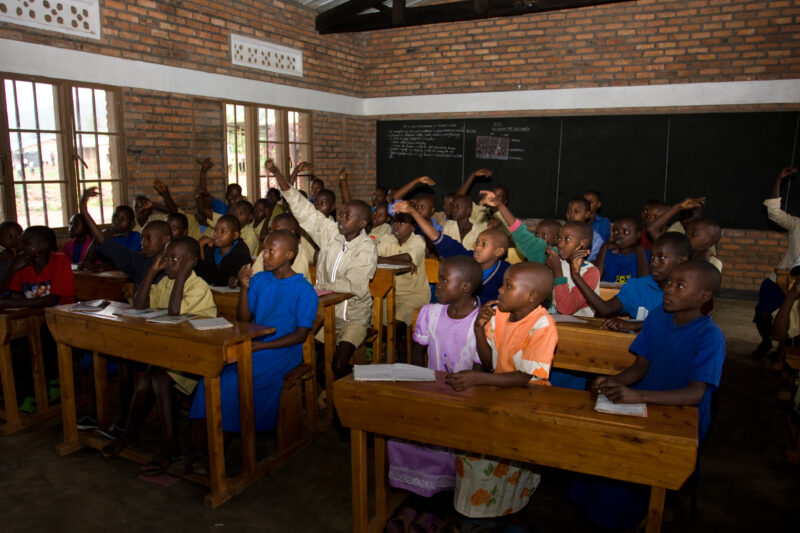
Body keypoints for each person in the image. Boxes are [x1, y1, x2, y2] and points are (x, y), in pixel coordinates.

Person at [574, 261, 726, 530]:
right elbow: (640, 366)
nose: (669, 290)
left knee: (674, 476)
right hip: (644, 406)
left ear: (704, 296)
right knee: (607, 461)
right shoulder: (657, 316)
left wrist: (635, 396)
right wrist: (611, 382)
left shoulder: (710, 336)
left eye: (680, 286)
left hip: (683, 418)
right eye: (669, 283)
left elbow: (695, 393)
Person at [189, 231, 317, 461]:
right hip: (256, 345)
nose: (264, 256)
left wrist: (263, 347)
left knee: (230, 383)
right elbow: (244, 319)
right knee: (209, 379)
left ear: (289, 254)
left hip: (282, 351)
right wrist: (245, 288)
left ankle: (212, 458)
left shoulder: (304, 289)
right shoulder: (259, 280)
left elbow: (300, 335)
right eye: (264, 250)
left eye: (271, 251)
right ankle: (198, 450)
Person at [445, 263, 557, 522]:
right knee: (473, 447)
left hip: (528, 399)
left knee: (506, 460)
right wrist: (478, 329)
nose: (499, 289)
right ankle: (472, 510)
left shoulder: (543, 324)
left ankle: (500, 513)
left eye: (508, 285)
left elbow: (525, 376)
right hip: (498, 390)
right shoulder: (499, 315)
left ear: (531, 295)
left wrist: (478, 379)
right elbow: (490, 364)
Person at [384, 256, 484, 531]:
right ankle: (416, 500)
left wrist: (459, 393)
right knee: (410, 435)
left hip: (461, 397)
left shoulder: (480, 321)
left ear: (464, 286)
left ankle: (439, 506)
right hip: (430, 390)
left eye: (443, 280)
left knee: (448, 445)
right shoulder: (431, 312)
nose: (436, 284)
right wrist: (418, 383)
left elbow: (480, 366)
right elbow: (418, 350)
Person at [102, 237, 217, 474]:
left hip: (199, 357)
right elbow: (139, 305)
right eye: (165, 259)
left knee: (160, 379)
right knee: (146, 379)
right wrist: (151, 272)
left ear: (191, 263)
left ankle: (169, 446)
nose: (168, 264)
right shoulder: (164, 282)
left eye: (174, 260)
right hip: (172, 353)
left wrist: (183, 275)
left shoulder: (198, 286)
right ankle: (129, 435)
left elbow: (175, 312)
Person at [268, 160, 376, 380]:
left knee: (338, 364)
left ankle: (353, 395)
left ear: (362, 222)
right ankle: (325, 398)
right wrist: (278, 174)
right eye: (342, 214)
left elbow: (353, 285)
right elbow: (305, 211)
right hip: (324, 314)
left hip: (353, 318)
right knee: (302, 355)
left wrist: (318, 287)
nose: (341, 219)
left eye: (348, 216)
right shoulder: (331, 232)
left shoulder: (367, 248)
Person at [396, 200, 509, 305]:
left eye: (484, 244)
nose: (477, 247)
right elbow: (438, 239)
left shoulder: (506, 272)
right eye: (477, 243)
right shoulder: (467, 259)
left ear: (498, 251)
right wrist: (413, 213)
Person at [578, 232, 692, 331]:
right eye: (652, 257)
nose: (654, 263)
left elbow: (677, 324)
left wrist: (636, 325)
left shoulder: (689, 293)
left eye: (661, 258)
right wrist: (576, 276)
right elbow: (605, 309)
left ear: (681, 260)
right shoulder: (639, 286)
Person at [754, 166, 800, 358]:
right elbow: (773, 212)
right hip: (780, 279)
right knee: (764, 315)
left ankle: (786, 350)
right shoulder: (797, 224)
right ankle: (766, 341)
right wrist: (778, 181)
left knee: (794, 324)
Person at [376, 212, 431, 361]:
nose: (397, 226)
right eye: (395, 222)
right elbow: (373, 256)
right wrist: (401, 262)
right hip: (390, 294)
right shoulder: (388, 239)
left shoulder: (418, 240)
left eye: (402, 223)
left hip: (414, 294)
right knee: (376, 323)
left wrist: (383, 260)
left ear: (413, 227)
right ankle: (399, 351)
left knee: (395, 326)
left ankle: (402, 355)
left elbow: (408, 257)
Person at [0, 226, 74, 308]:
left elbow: (53, 299)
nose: (20, 246)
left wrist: (18, 303)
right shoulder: (23, 263)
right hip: (34, 314)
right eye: (21, 242)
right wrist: (12, 269)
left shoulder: (60, 260)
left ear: (43, 245)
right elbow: (5, 293)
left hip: (61, 314)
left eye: (26, 243)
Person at [546, 221, 599, 317]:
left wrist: (557, 270)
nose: (560, 244)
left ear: (583, 243)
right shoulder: (554, 262)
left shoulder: (591, 272)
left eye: (567, 239)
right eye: (559, 238)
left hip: (579, 327)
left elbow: (566, 309)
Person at [478, 190, 547, 264]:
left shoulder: (547, 255)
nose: (539, 239)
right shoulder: (541, 252)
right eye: (536, 235)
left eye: (560, 239)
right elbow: (520, 234)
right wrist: (499, 205)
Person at [250, 213, 312, 283]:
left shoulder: (300, 254)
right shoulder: (266, 252)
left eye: (277, 231)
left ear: (291, 233)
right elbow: (253, 277)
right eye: (270, 231)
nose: (272, 235)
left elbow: (295, 284)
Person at [195, 214, 252, 287]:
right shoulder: (211, 248)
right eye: (215, 230)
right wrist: (200, 246)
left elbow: (222, 278)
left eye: (223, 231)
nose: (217, 235)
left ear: (235, 235)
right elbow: (203, 274)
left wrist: (235, 281)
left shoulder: (241, 252)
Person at [594, 216, 650, 283]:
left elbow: (645, 282)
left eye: (625, 232)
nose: (619, 236)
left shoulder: (645, 255)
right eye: (616, 231)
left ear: (638, 235)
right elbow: (595, 279)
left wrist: (640, 250)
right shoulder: (608, 254)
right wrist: (603, 249)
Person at [565, 197, 603, 261]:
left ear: (587, 214)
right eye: (569, 211)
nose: (571, 215)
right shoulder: (562, 232)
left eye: (576, 212)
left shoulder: (595, 238)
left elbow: (596, 260)